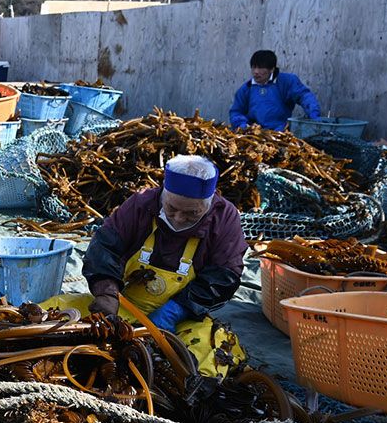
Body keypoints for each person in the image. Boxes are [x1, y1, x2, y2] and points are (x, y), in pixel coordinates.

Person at [41, 155, 248, 377]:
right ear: (163, 195)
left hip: (183, 317)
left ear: (207, 204)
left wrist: (174, 310)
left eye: (191, 213)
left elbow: (224, 276)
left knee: (210, 352)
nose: (178, 218)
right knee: (53, 311)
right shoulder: (140, 205)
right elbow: (104, 249)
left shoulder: (224, 218)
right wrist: (106, 294)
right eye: (171, 208)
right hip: (124, 306)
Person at [229, 49, 321, 132]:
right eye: (253, 67)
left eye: (260, 68)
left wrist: (314, 114)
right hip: (254, 135)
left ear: (272, 69)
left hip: (281, 133)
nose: (256, 72)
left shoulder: (287, 82)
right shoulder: (246, 89)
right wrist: (242, 126)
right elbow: (236, 111)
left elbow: (304, 96)